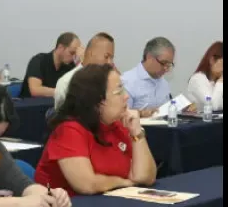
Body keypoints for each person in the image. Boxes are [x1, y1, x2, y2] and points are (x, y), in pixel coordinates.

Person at [35, 64, 157, 196]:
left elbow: (145, 178)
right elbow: (86, 184)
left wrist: (137, 133)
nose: (126, 96)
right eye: (119, 92)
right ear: (97, 101)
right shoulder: (69, 130)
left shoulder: (118, 125)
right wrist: (123, 182)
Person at [54, 32, 116, 110]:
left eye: (112, 58)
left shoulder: (110, 82)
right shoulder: (66, 82)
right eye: (106, 57)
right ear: (91, 53)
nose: (110, 62)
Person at [121, 37, 176, 117]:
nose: (166, 69)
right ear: (149, 57)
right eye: (164, 63)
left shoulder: (164, 83)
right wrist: (141, 114)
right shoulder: (126, 81)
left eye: (169, 65)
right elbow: (121, 117)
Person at [19, 32, 82, 98]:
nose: (73, 57)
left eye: (76, 54)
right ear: (60, 48)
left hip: (54, 106)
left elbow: (81, 89)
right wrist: (65, 92)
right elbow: (35, 90)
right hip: (30, 105)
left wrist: (82, 62)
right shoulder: (38, 61)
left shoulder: (70, 65)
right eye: (72, 53)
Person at [186, 41, 223, 112]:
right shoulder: (198, 79)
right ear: (212, 60)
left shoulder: (217, 82)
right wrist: (221, 81)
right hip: (200, 122)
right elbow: (213, 105)